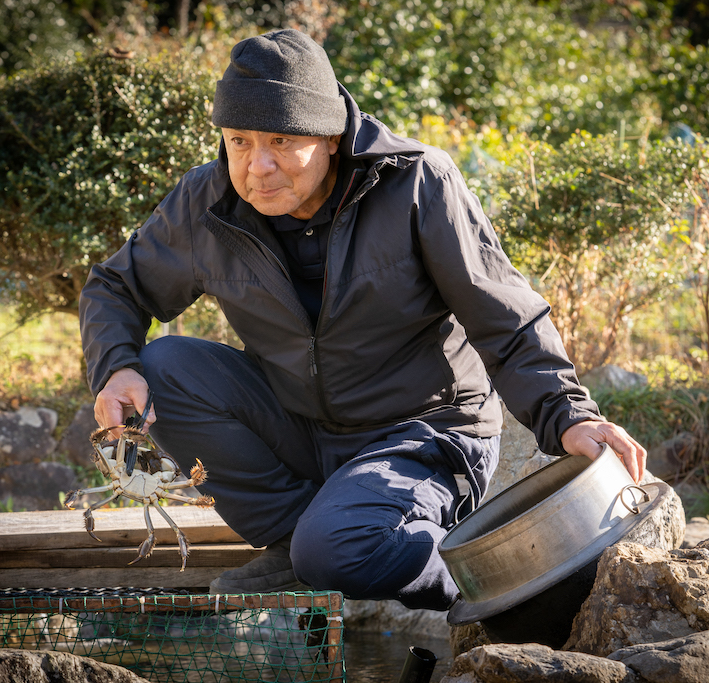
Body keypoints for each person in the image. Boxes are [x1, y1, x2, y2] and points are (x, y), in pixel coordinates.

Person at [79, 28, 646, 611]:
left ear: (328, 135)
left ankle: (500, 575)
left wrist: (569, 416)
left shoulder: (417, 183)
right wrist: (114, 368)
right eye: (239, 141)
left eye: (280, 139)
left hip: (427, 432)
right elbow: (115, 285)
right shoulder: (207, 201)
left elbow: (505, 316)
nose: (258, 166)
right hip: (303, 426)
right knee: (162, 368)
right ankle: (297, 538)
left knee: (337, 551)